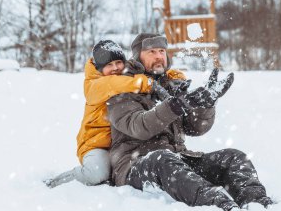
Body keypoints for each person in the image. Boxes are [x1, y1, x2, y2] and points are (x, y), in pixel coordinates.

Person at [106, 33, 274, 211]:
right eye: (151, 52)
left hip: (177, 159)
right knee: (162, 158)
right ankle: (219, 203)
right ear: (137, 57)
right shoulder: (121, 88)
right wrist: (174, 106)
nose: (159, 56)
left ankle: (257, 203)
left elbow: (195, 128)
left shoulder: (170, 85)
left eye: (162, 51)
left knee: (233, 157)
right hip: (135, 167)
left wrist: (206, 104)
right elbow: (140, 126)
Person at [45, 40, 186, 188]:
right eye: (108, 65)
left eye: (118, 62)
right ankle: (55, 183)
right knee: (97, 173)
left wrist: (175, 77)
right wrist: (148, 84)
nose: (115, 68)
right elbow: (114, 83)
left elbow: (151, 69)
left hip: (119, 146)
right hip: (97, 145)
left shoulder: (126, 78)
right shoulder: (95, 85)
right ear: (100, 68)